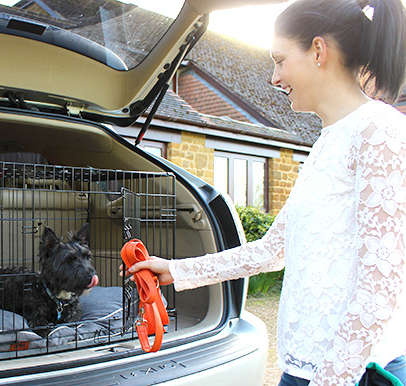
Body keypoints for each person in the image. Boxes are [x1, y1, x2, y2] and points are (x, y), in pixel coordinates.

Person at [123, 0, 406, 385]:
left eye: (279, 60)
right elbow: (273, 250)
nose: (274, 77)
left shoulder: (380, 132)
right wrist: (176, 270)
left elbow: (382, 278)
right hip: (306, 368)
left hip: (356, 373)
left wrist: (330, 380)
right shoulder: (326, 141)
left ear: (318, 51)